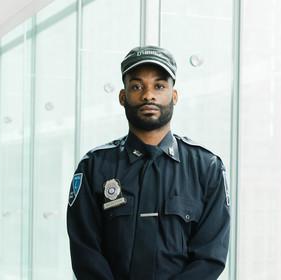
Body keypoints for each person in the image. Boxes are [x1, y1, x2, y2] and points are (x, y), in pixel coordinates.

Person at [67, 45, 230, 280]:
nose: (148, 95)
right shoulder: (94, 166)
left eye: (159, 86)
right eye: (136, 86)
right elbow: (85, 251)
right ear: (123, 97)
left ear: (174, 96)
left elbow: (210, 256)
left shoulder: (207, 167)